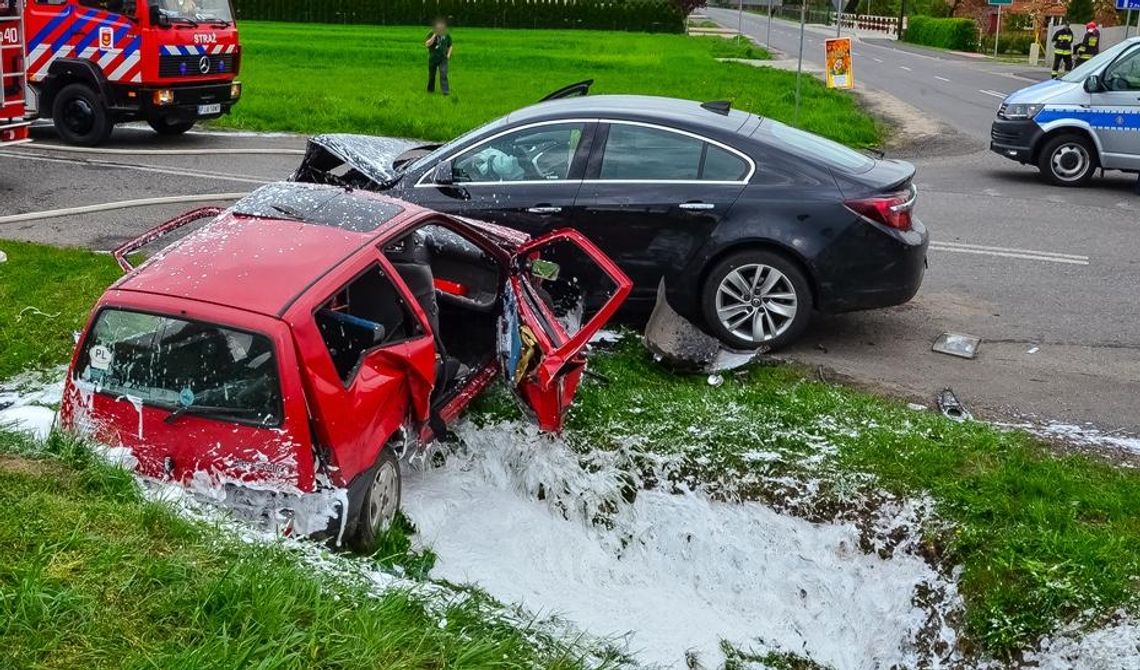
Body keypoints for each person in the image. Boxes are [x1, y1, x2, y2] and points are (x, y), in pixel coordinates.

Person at [425, 18, 453, 96]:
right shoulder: (431, 33)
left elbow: (450, 45)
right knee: (432, 75)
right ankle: (430, 91)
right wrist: (434, 35)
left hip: (443, 58)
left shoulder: (446, 35)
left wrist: (448, 55)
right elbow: (427, 44)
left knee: (443, 74)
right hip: (433, 58)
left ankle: (445, 92)